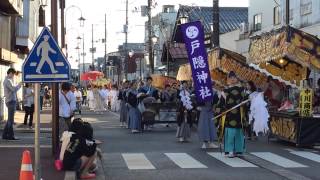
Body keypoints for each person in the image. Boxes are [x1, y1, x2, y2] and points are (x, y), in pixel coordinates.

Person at [220, 71, 247, 158]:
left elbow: (246, 101)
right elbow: (221, 103)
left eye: (234, 77)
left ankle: (239, 150)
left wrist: (247, 101)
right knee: (230, 133)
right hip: (229, 115)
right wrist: (221, 110)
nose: (232, 79)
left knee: (239, 132)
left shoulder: (242, 90)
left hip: (239, 114)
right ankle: (230, 150)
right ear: (228, 79)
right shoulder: (225, 91)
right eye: (230, 77)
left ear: (237, 78)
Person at [197, 81, 219, 149]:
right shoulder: (202, 90)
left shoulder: (214, 92)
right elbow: (199, 100)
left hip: (210, 110)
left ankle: (211, 142)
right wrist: (198, 106)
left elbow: (216, 101)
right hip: (204, 110)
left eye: (212, 85)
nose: (212, 86)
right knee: (204, 126)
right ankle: (204, 143)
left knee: (211, 126)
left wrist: (214, 107)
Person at [2, 68, 22, 140]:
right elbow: (13, 89)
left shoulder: (9, 80)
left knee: (9, 120)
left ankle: (4, 135)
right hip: (10, 101)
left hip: (11, 101)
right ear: (10, 73)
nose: (13, 75)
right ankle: (11, 135)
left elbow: (13, 90)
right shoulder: (7, 81)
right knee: (11, 120)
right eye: (13, 74)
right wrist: (19, 85)